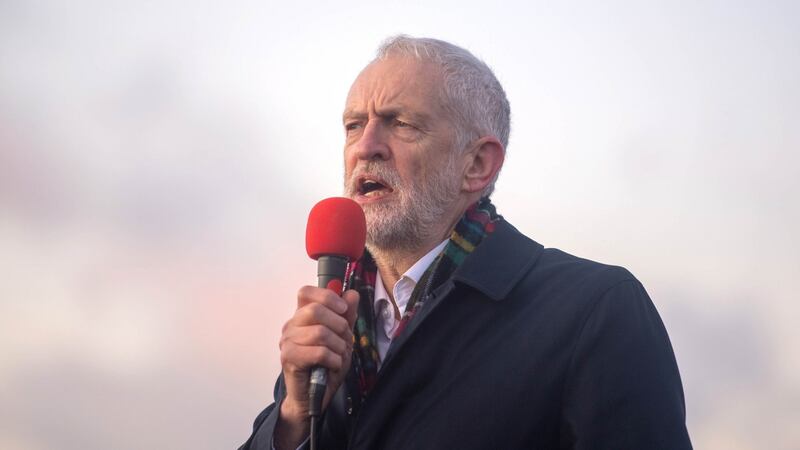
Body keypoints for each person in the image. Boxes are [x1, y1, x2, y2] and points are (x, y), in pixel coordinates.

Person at [240, 35, 692, 450]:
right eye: (354, 126)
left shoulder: (594, 310)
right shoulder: (331, 321)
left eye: (400, 124)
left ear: (477, 164)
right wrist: (293, 418)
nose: (366, 146)